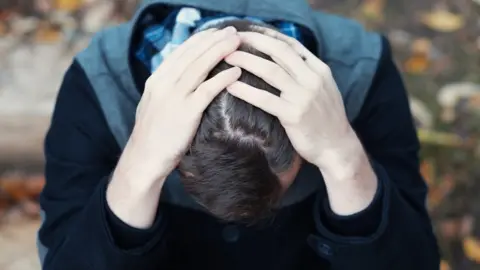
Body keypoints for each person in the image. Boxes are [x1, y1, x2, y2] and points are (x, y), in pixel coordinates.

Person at [37, 0, 440, 269]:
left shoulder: (364, 70)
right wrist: (139, 166)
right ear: (175, 157)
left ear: (303, 142)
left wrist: (343, 157)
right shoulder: (98, 79)